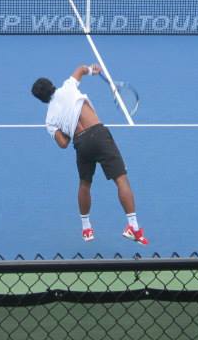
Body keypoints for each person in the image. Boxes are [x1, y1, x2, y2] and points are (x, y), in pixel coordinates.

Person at [31, 63, 148, 245]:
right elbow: (80, 69)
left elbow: (63, 143)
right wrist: (93, 70)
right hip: (99, 134)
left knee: (84, 184)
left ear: (41, 100)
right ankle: (133, 227)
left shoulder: (49, 119)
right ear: (52, 84)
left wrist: (68, 124)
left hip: (81, 144)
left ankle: (86, 228)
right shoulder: (68, 86)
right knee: (121, 180)